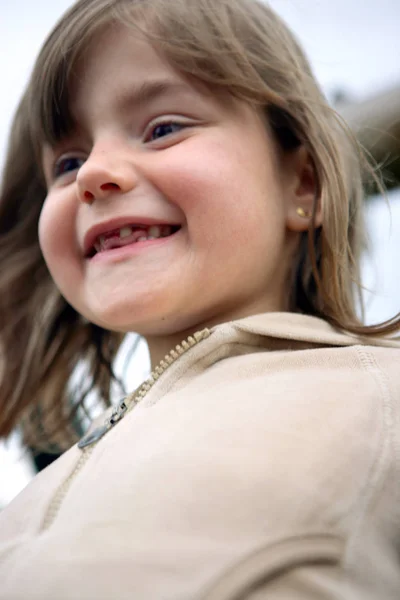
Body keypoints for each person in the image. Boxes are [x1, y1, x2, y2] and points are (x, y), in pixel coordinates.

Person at [0, 0, 399, 598]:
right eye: (67, 162)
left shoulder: (384, 390)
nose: (93, 174)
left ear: (304, 183)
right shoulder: (27, 501)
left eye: (163, 128)